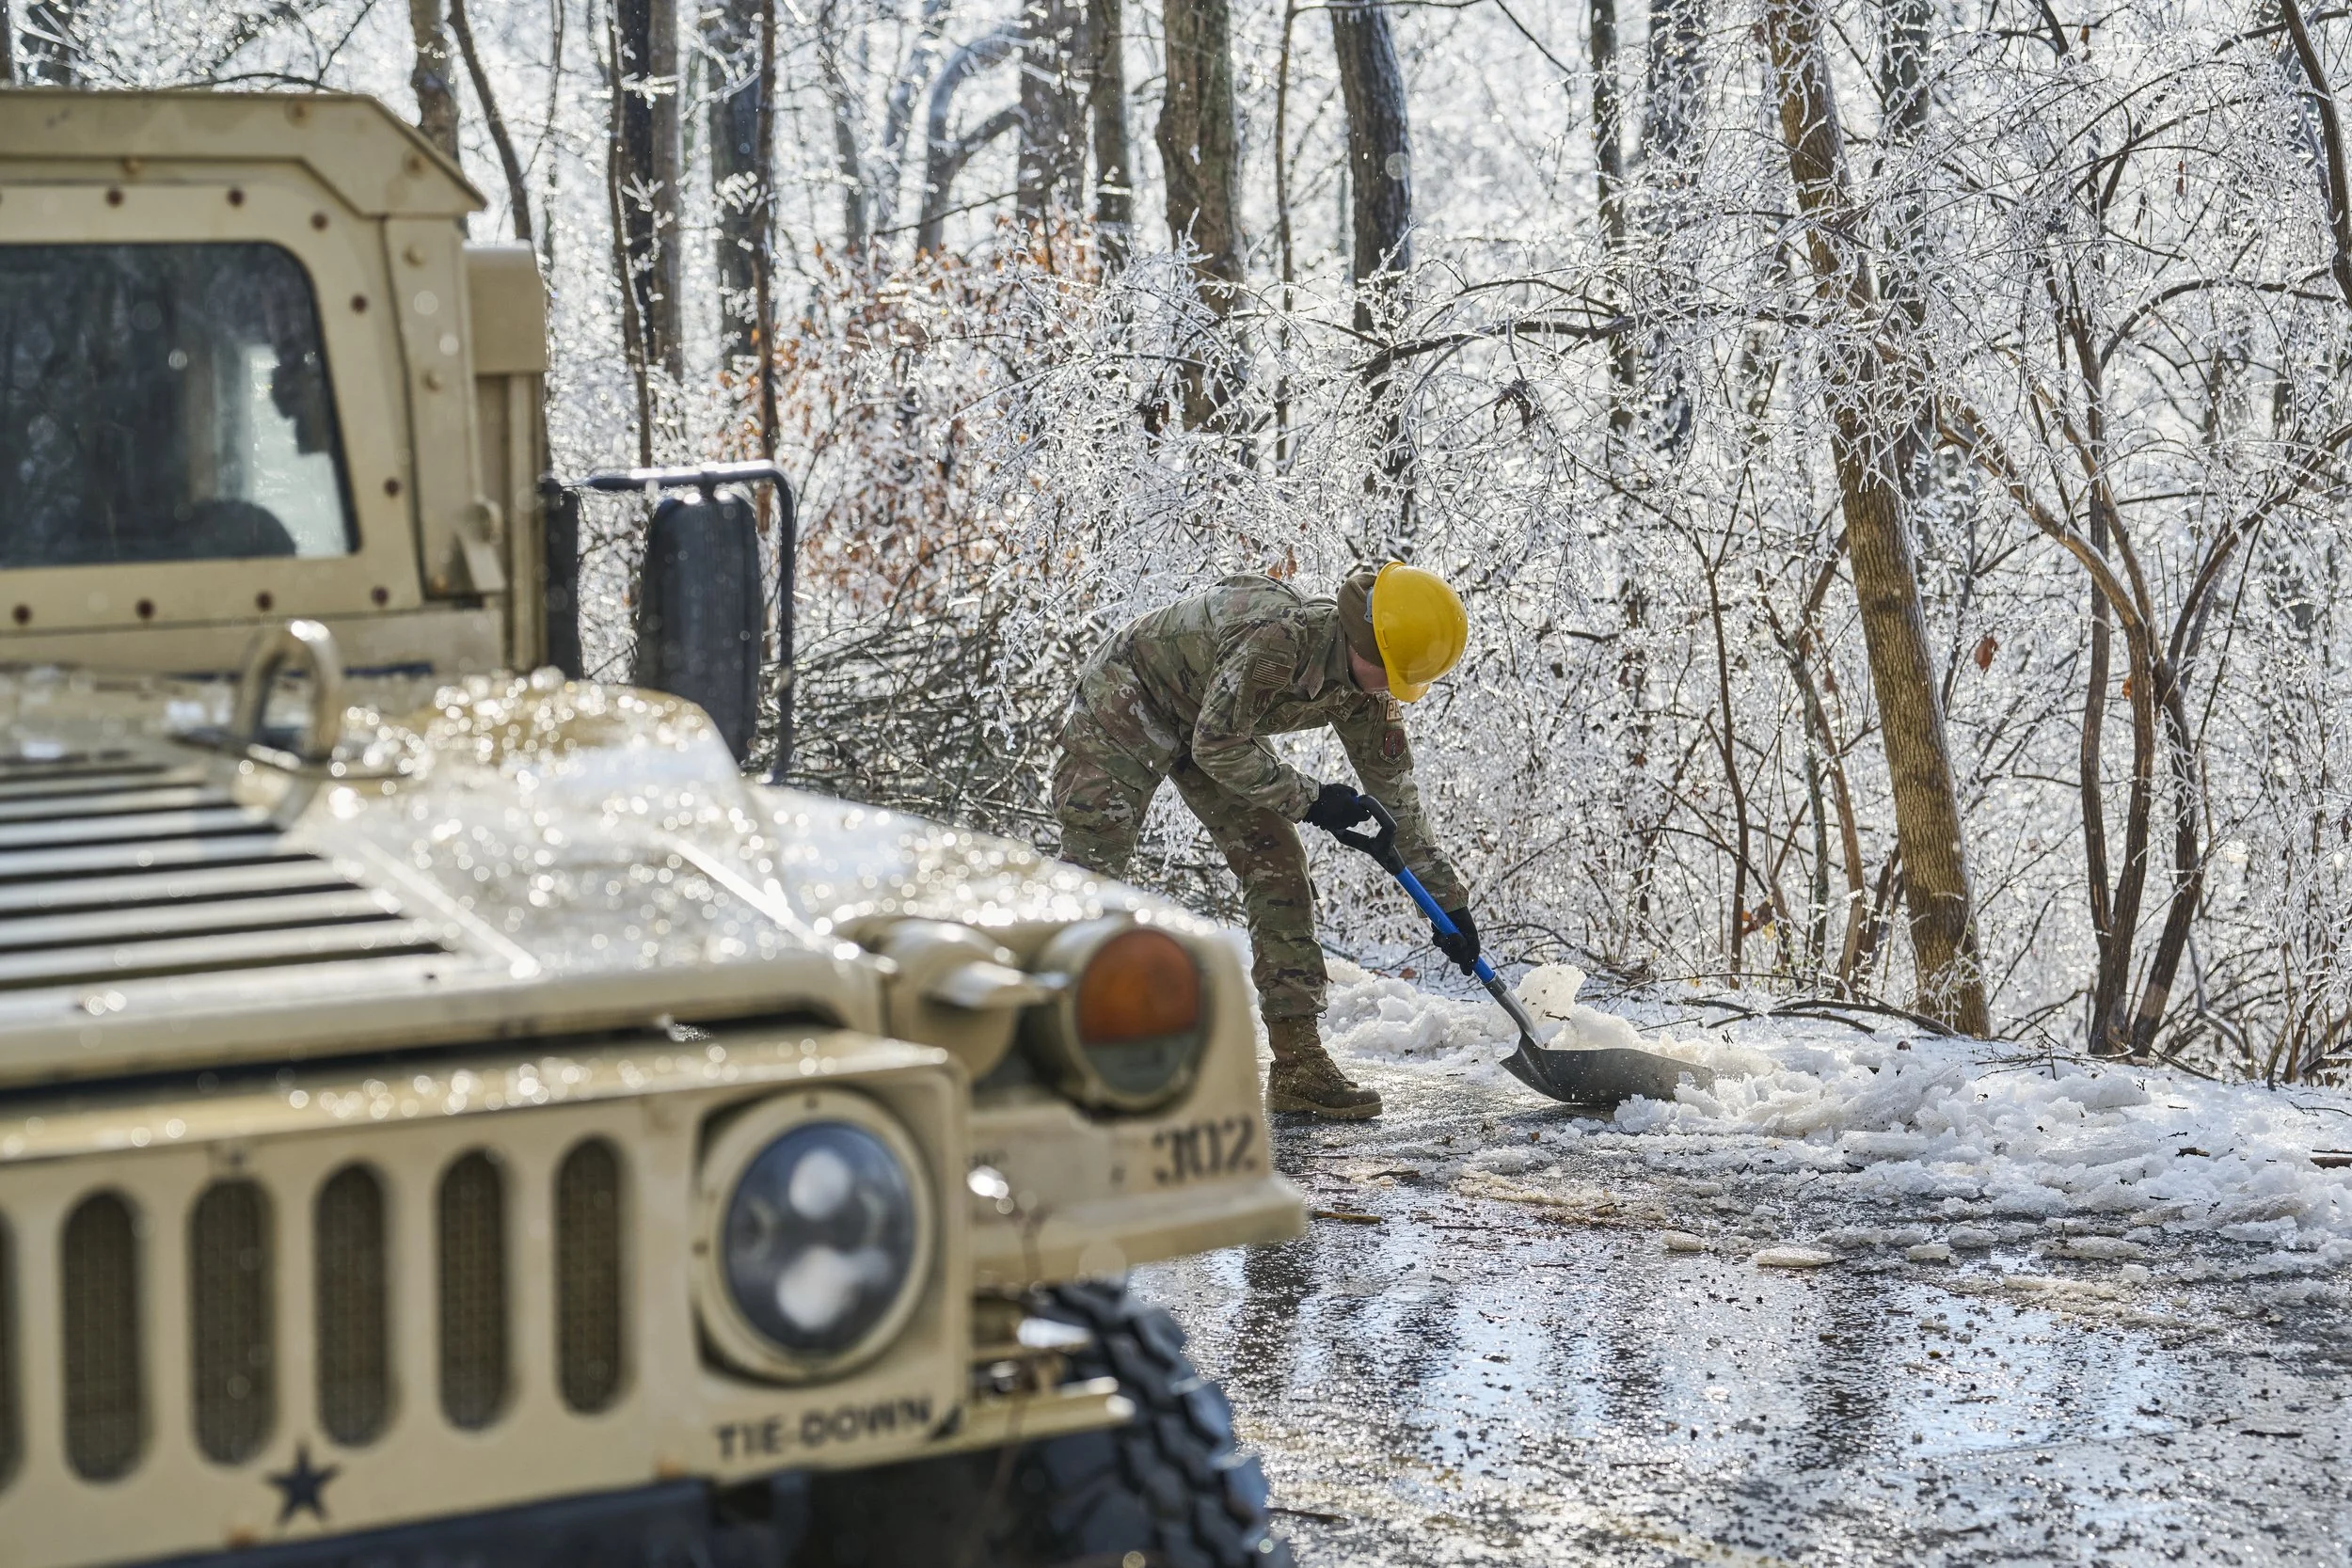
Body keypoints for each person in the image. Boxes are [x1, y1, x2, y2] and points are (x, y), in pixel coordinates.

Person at [1052, 562, 1477, 1119]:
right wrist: (1313, 799)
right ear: (1361, 640)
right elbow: (1218, 745)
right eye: (1389, 671)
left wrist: (1450, 902)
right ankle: (1050, 1041)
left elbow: (1398, 803)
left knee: (1277, 864)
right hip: (1131, 697)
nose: (1389, 688)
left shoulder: (1367, 688)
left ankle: (1299, 1065)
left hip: (1215, 725)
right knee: (1094, 867)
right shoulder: (1280, 641)